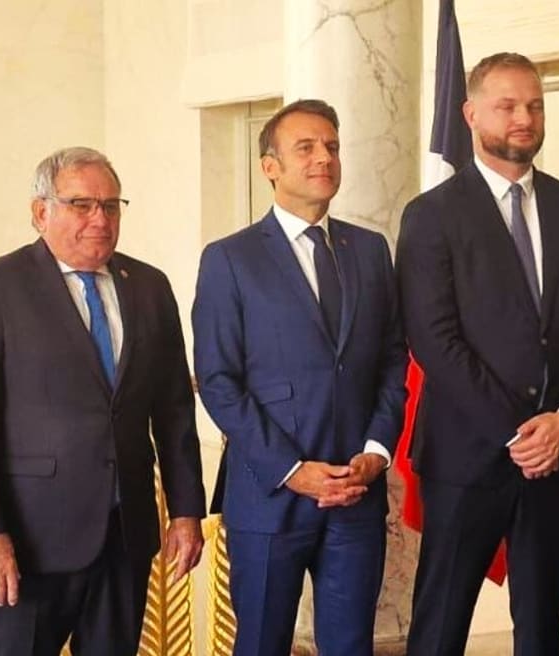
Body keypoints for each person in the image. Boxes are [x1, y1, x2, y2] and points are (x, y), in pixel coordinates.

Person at [396, 53, 559, 655]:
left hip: (557, 455)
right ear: (471, 114)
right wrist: (520, 434)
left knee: (543, 627)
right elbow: (435, 340)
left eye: (535, 104)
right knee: (440, 628)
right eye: (508, 105)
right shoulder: (431, 216)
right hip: (467, 460)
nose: (524, 117)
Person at [0, 146, 206, 656]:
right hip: (28, 541)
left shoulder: (149, 286)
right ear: (41, 212)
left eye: (110, 206)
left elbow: (173, 410)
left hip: (125, 535)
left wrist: (185, 510)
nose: (99, 219)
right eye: (81, 205)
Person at [192, 98, 409, 655]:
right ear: (270, 166)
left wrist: (378, 450)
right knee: (263, 643)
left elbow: (391, 358)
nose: (324, 159)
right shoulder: (230, 258)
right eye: (306, 148)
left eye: (332, 147)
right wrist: (290, 469)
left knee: (350, 644)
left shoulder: (369, 250)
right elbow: (218, 379)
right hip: (269, 496)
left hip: (356, 492)